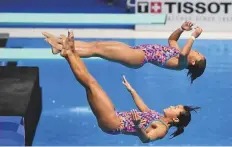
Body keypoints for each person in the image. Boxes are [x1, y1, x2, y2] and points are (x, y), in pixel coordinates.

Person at [57, 30, 200, 143]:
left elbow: (146, 139)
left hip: (114, 123)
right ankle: (67, 50)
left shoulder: (162, 129)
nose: (172, 106)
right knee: (91, 84)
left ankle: (69, 52)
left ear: (175, 119)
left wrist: (138, 125)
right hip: (116, 117)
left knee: (91, 84)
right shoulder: (158, 116)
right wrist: (132, 91)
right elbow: (144, 108)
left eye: (175, 108)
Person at [43, 21, 206, 83]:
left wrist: (193, 36)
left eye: (198, 55)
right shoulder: (177, 54)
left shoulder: (181, 63)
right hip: (135, 51)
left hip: (138, 57)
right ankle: (59, 43)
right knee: (97, 45)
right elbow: (172, 40)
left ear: (193, 63)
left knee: (97, 50)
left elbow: (185, 53)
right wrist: (181, 29)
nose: (196, 51)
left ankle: (61, 46)